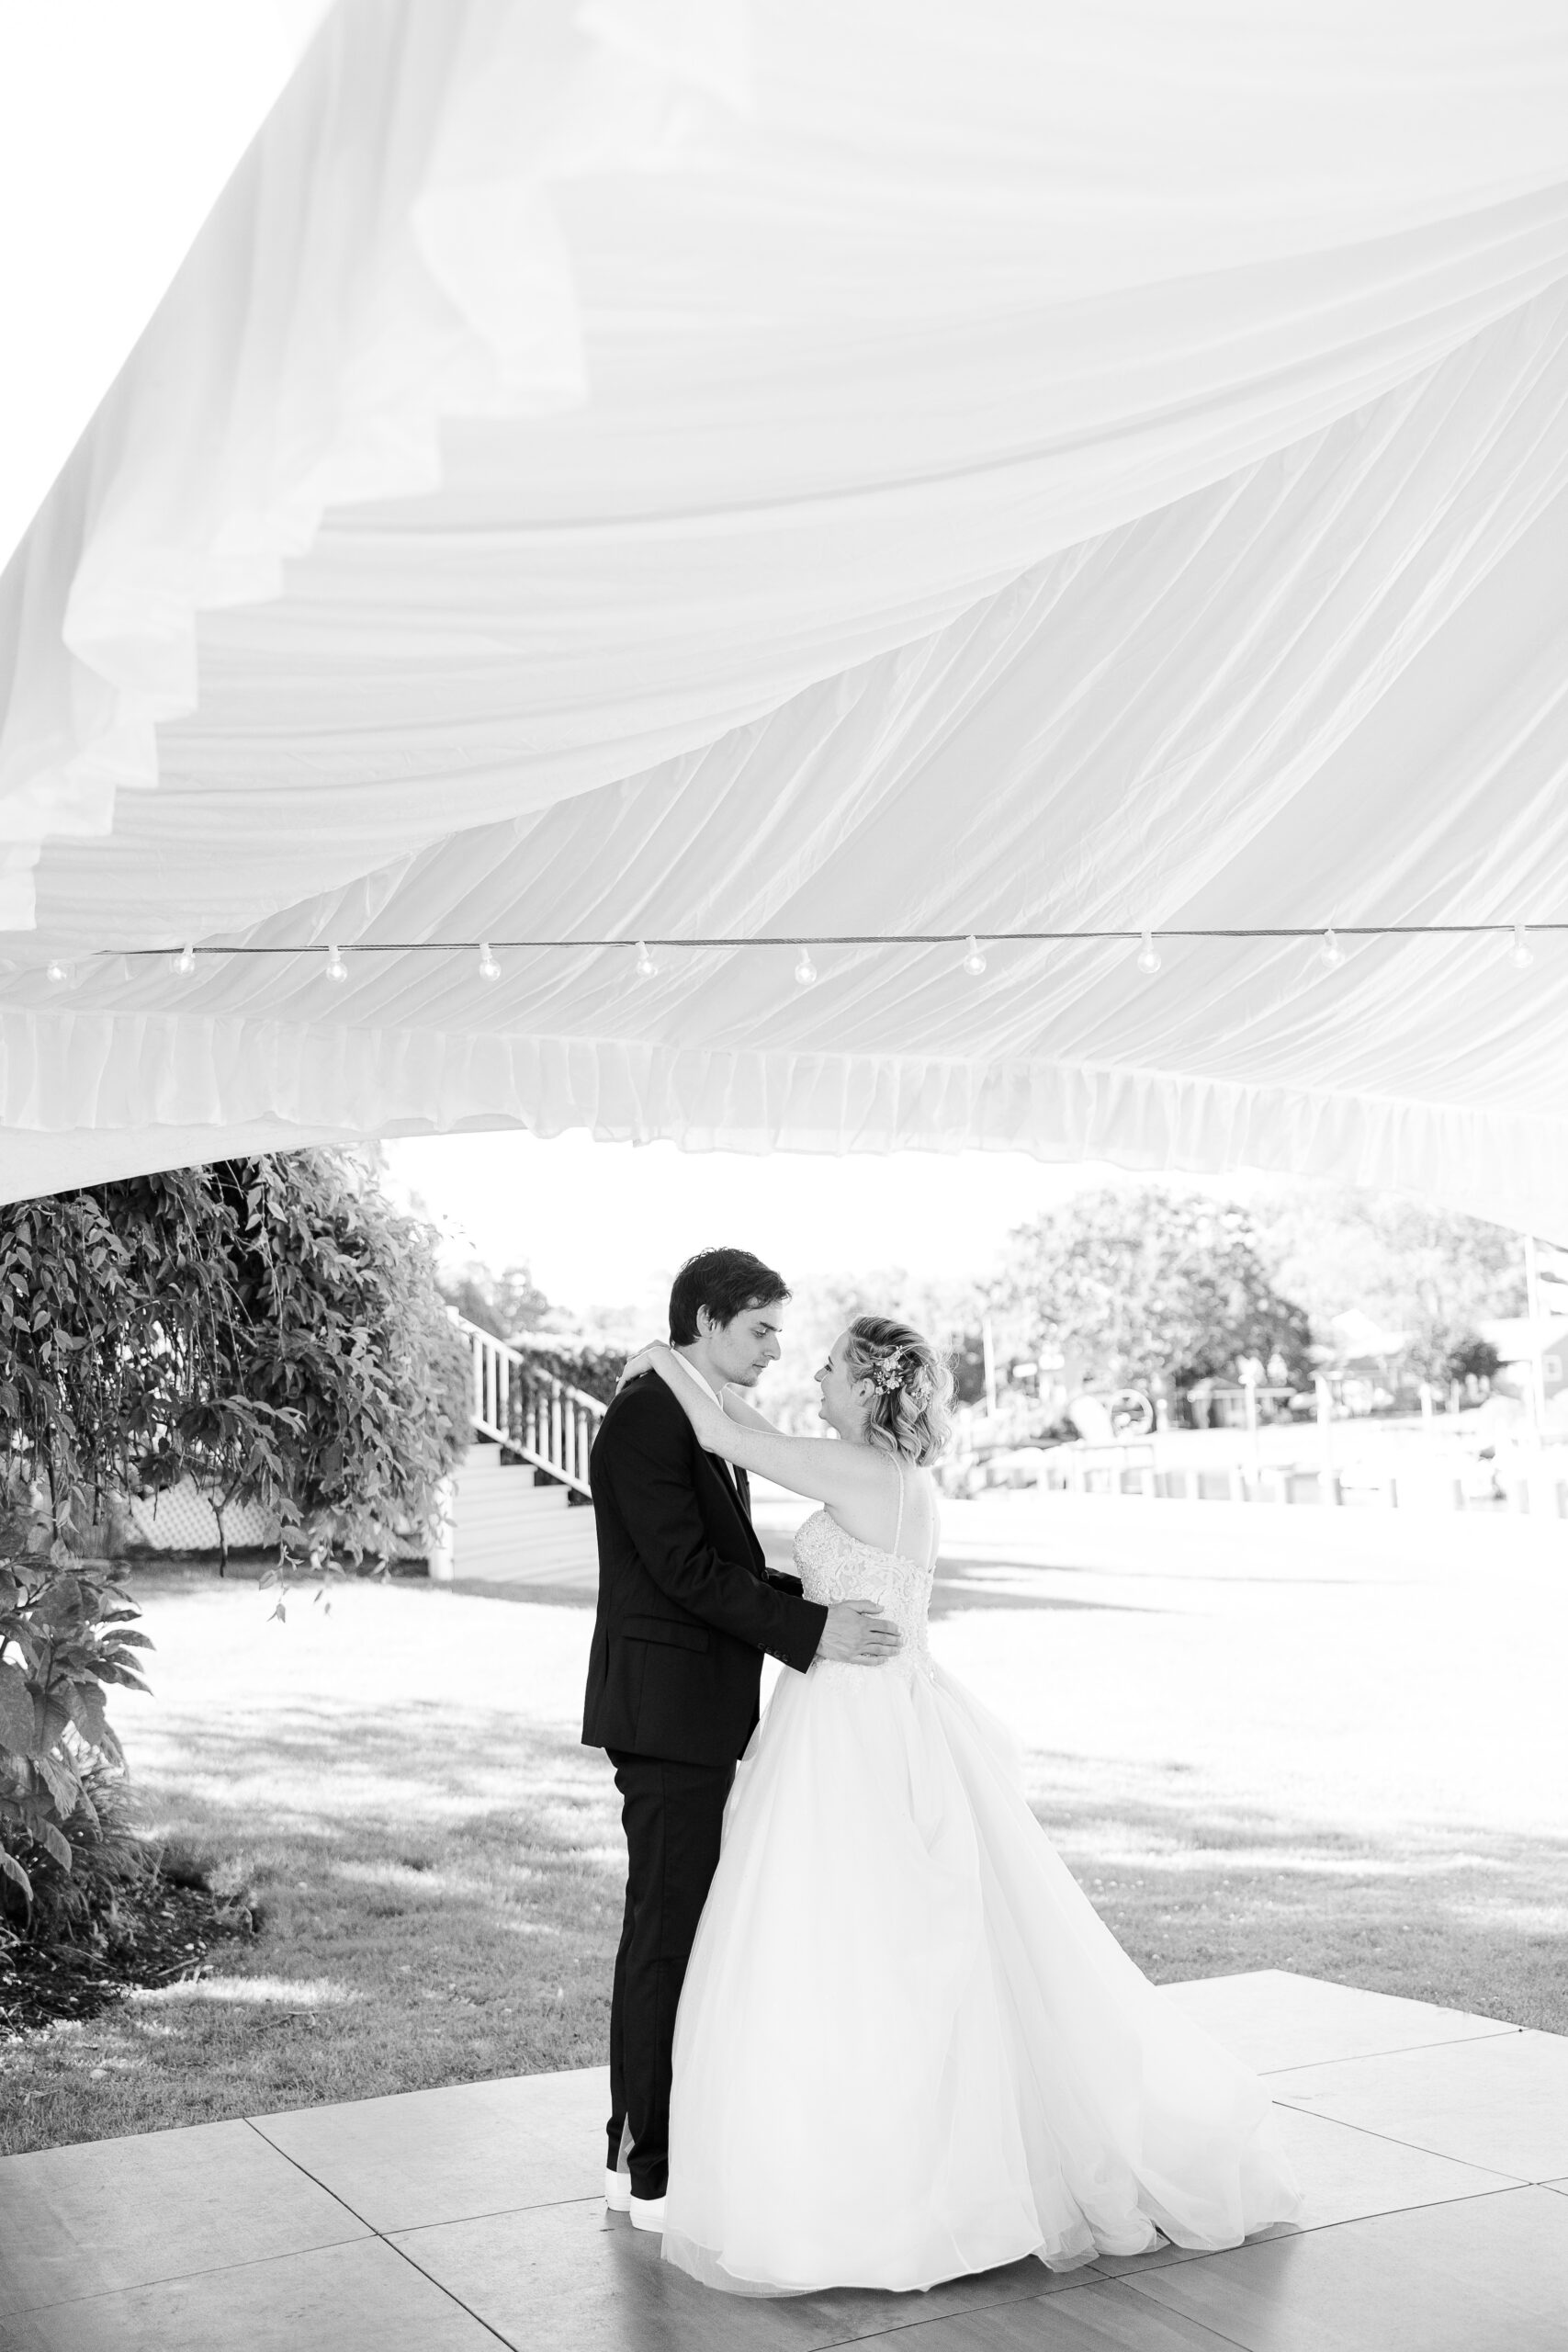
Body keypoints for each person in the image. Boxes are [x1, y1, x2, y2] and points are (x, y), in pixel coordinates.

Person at [616, 1313, 1303, 2296]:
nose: (809, 1376)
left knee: (853, 1942)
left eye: (829, 1368)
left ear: (866, 1388)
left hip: (855, 1722)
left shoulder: (863, 1475)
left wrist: (660, 1363)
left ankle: (875, 2189)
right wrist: (701, 1374)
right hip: (871, 1707)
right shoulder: (887, 1475)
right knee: (883, 1942)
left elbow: (733, 1439)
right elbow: (744, 1420)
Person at [581, 1248, 903, 2235]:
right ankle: (647, 2168)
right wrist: (811, 1633)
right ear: (710, 1319)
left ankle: (661, 2147)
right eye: (761, 1328)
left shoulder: (695, 1414)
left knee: (684, 1932)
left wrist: (811, 1603)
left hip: (702, 1712)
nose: (775, 1348)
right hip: (664, 1714)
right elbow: (681, 1570)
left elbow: (728, 1564)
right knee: (664, 1937)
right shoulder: (646, 1419)